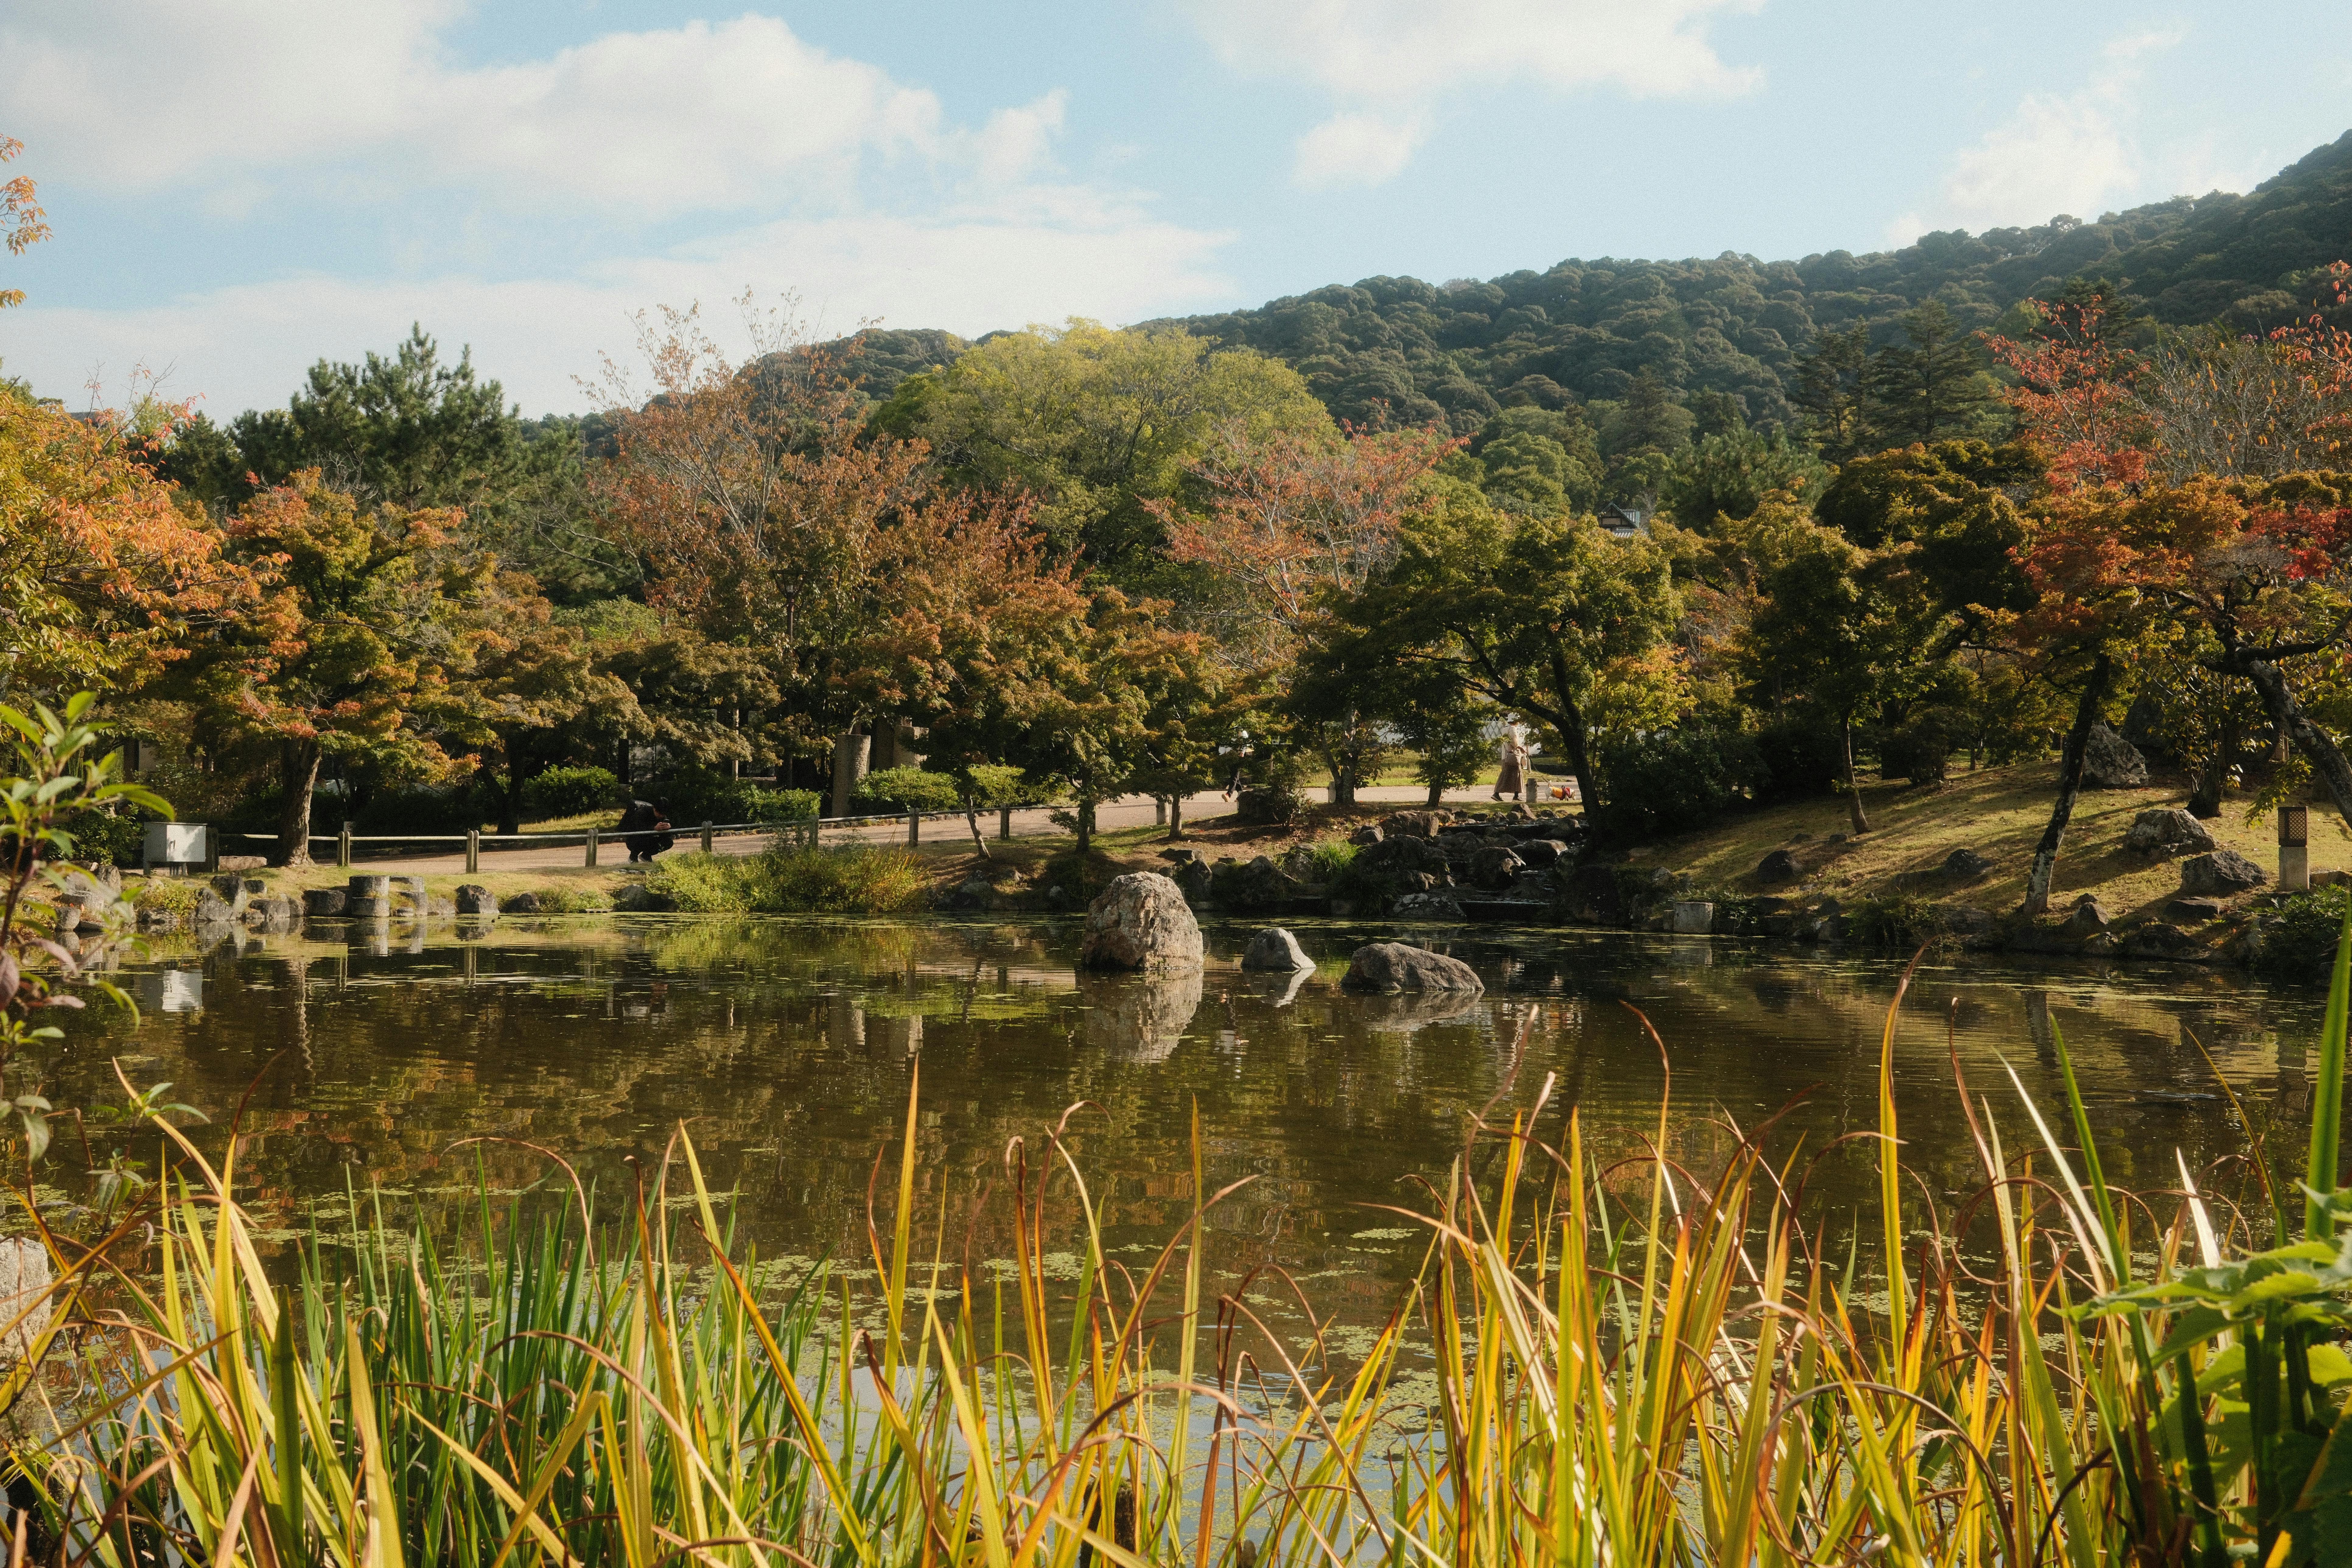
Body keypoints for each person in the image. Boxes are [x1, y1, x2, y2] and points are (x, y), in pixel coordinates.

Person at [614, 793, 673, 862]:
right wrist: (654, 829)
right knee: (644, 839)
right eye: (660, 814)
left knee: (668, 842)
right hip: (634, 839)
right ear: (654, 809)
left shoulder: (663, 817)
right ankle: (633, 856)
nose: (661, 816)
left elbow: (667, 835)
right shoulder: (642, 813)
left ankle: (646, 856)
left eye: (663, 815)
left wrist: (668, 828)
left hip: (651, 838)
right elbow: (639, 830)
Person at [1492, 721, 1529, 801]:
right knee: (1517, 774)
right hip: (1513, 755)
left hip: (1505, 755)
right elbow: (1514, 742)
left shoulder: (1505, 728)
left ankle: (1514, 795)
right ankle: (1511, 795)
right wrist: (1520, 748)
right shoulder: (1512, 728)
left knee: (1506, 774)